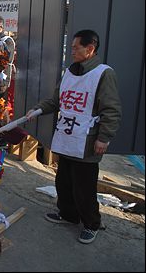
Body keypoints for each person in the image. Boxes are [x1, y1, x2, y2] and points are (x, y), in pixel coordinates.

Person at [26, 29, 122, 244]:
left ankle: (91, 223)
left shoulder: (104, 74)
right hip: (67, 135)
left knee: (84, 186)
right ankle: (68, 214)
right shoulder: (70, 72)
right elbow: (56, 100)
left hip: (87, 140)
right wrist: (37, 110)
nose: (72, 52)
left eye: (76, 48)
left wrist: (103, 138)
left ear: (90, 49)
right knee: (64, 181)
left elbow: (111, 110)